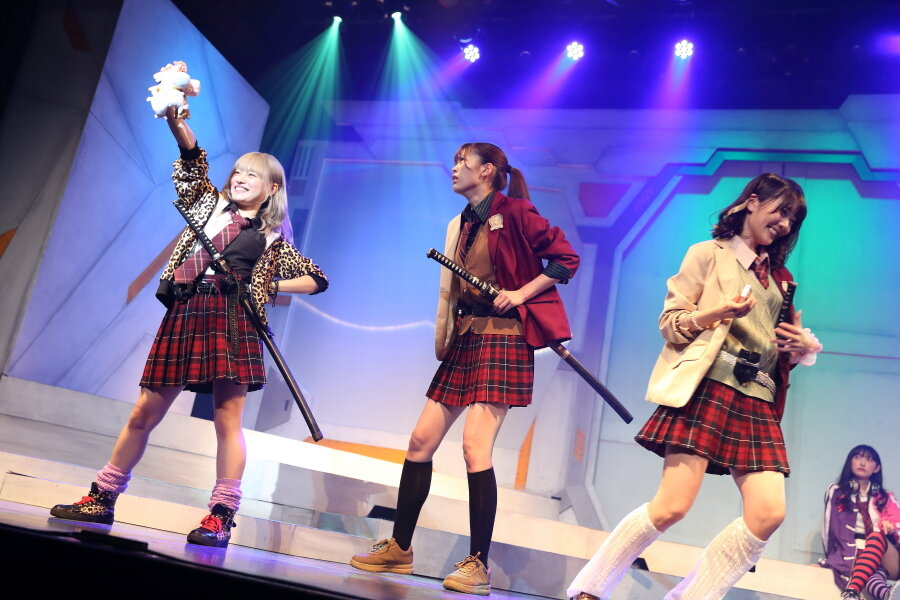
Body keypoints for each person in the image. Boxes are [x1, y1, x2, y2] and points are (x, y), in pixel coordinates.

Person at [50, 62, 328, 548]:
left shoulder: (271, 238)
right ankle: (102, 496)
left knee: (227, 421)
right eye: (238, 171)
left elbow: (317, 279)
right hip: (186, 313)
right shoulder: (208, 205)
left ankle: (221, 514)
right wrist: (176, 120)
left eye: (253, 174)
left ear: (272, 189)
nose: (240, 178)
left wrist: (266, 285)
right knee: (144, 413)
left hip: (233, 322)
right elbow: (192, 159)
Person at [567, 173, 821, 600]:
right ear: (752, 202)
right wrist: (716, 312)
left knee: (769, 513)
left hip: (758, 400)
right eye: (781, 211)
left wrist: (796, 350)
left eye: (793, 220)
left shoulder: (782, 279)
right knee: (671, 506)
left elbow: (774, 346)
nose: (785, 225)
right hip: (709, 389)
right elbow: (670, 324)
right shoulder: (707, 254)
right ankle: (589, 589)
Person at [349, 142, 579, 595]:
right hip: (467, 336)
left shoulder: (516, 212)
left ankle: (478, 564)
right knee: (420, 442)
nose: (454, 168)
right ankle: (400, 547)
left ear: (487, 170)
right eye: (455, 161)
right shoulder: (462, 222)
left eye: (462, 162)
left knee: (475, 448)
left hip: (504, 337)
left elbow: (565, 259)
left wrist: (521, 293)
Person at [819, 446, 900, 599]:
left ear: (876, 468)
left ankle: (851, 591)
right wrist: (830, 560)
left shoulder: (885, 496)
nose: (862, 462)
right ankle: (886, 594)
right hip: (853, 556)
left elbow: (898, 518)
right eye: (857, 457)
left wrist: (889, 523)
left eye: (868, 459)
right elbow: (828, 530)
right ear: (850, 462)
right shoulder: (836, 491)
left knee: (876, 536)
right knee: (871, 575)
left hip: (884, 555)